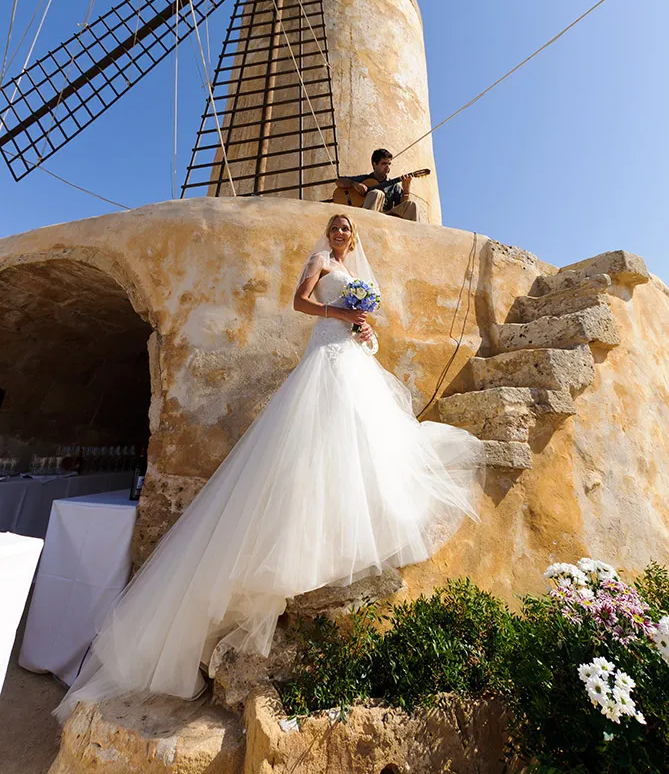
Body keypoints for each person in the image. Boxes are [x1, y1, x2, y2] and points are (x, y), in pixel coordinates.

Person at [55, 214, 480, 723]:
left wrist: (362, 325)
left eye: (347, 227)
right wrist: (342, 314)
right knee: (308, 445)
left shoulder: (358, 273)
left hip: (349, 357)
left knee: (358, 442)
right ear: (328, 233)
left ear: (355, 236)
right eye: (336, 225)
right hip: (323, 356)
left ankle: (345, 527)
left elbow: (356, 316)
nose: (342, 231)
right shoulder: (320, 260)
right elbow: (300, 302)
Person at [335, 148, 418, 221]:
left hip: (386, 215)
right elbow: (338, 181)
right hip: (365, 215)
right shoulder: (365, 179)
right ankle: (366, 224)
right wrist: (354, 184)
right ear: (374, 164)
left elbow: (402, 205)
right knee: (377, 193)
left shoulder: (393, 186)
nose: (387, 167)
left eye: (389, 164)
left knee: (411, 205)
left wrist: (406, 189)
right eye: (384, 163)